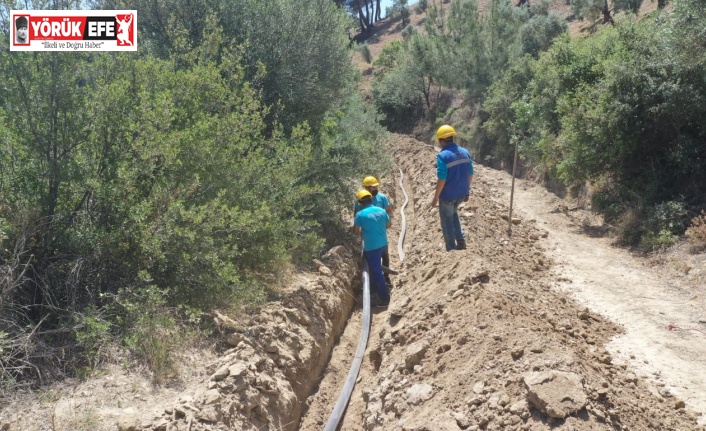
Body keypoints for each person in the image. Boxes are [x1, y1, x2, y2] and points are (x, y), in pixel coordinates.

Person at [430, 125, 474, 251]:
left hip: (447, 196)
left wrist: (435, 198)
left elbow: (442, 178)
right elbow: (470, 173)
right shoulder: (465, 152)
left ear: (442, 140)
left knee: (447, 221)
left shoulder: (443, 156)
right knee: (454, 214)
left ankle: (451, 248)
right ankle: (460, 241)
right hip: (461, 194)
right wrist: (467, 191)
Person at [353, 189, 391, 307]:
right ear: (371, 199)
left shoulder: (360, 215)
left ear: (359, 203)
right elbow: (389, 225)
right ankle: (376, 289)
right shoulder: (381, 210)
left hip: (371, 247)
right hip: (384, 244)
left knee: (375, 271)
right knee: (378, 267)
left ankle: (384, 298)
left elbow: (356, 230)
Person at [354, 176, 394, 286]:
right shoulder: (360, 199)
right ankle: (375, 280)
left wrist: (385, 223)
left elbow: (389, 211)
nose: (376, 189)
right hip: (367, 233)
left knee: (385, 256)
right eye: (373, 187)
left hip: (381, 231)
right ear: (366, 188)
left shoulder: (382, 197)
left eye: (376, 186)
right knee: (371, 259)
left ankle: (386, 277)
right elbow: (356, 214)